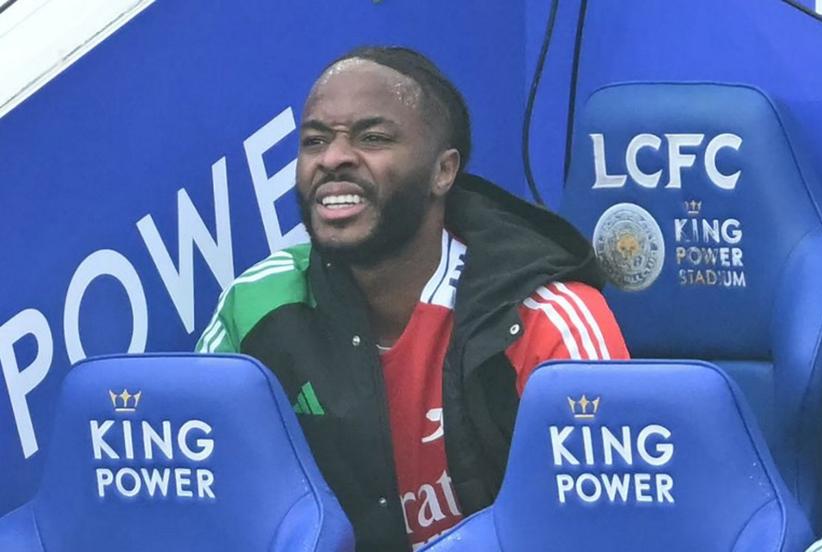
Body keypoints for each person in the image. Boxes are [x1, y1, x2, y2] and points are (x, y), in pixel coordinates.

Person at [196, 46, 629, 551]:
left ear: (443, 172)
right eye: (315, 141)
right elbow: (210, 506)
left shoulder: (550, 320)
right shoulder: (255, 303)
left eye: (373, 138)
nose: (332, 159)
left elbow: (609, 528)